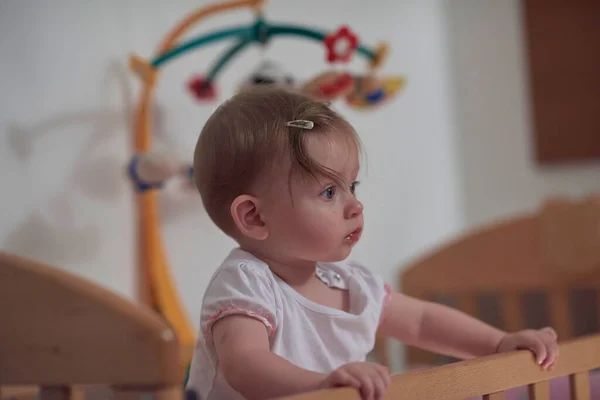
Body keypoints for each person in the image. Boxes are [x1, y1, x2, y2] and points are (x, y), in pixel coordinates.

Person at [186, 87, 559, 400]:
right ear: (255, 217)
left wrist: (498, 343)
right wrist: (320, 386)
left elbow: (423, 321)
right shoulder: (246, 283)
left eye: (353, 186)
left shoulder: (349, 282)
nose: (355, 205)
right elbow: (245, 364)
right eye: (329, 191)